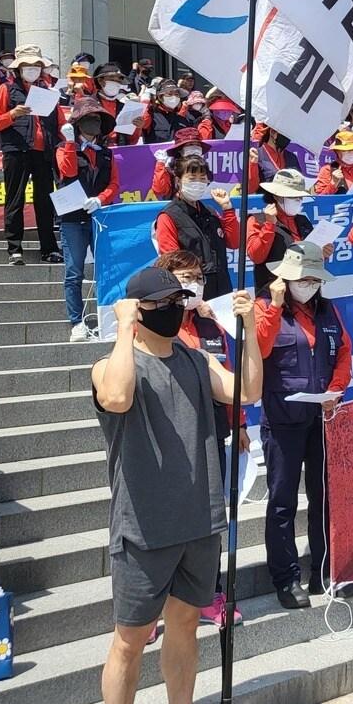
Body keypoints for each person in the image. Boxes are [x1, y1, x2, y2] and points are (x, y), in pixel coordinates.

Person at [92, 267, 260, 704]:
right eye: (162, 302)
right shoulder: (112, 364)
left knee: (185, 625)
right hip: (143, 526)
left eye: (177, 300)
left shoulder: (193, 359)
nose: (173, 309)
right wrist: (124, 327)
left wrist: (248, 330)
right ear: (139, 308)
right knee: (130, 640)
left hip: (199, 518)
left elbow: (247, 391)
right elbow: (119, 396)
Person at [152, 249, 243, 628]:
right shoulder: (158, 325)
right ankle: (153, 607)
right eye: (184, 277)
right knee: (163, 523)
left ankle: (209, 595)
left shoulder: (212, 323)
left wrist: (237, 424)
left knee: (211, 521)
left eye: (197, 277)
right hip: (167, 439)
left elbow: (230, 377)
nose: (194, 284)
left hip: (210, 433)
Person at [257, 242, 350, 608]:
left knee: (323, 496)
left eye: (315, 279)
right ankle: (285, 577)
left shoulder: (329, 311)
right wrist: (277, 305)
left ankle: (322, 572)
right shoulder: (268, 307)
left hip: (320, 417)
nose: (309, 285)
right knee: (282, 501)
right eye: (302, 278)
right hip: (282, 419)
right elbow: (259, 349)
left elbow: (343, 350)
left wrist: (336, 389)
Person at [0, 46, 61, 266]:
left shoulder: (47, 90)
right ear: (19, 69)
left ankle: (49, 248)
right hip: (16, 150)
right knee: (15, 198)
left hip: (43, 151)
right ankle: (15, 249)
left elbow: (57, 123)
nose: (32, 70)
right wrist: (12, 114)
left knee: (45, 201)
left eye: (36, 66)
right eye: (27, 66)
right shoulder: (6, 90)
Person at [54, 98, 120, 341]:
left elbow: (114, 184)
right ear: (78, 123)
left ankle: (109, 318)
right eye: (88, 119)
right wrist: (70, 142)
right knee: (74, 271)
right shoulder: (63, 148)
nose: (94, 123)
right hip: (72, 218)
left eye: (97, 120)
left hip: (99, 217)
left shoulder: (107, 155)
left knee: (106, 268)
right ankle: (76, 322)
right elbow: (68, 172)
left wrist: (101, 199)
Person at [153, 155, 240, 301]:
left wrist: (227, 208)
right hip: (193, 293)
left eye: (202, 178)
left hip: (222, 289)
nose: (198, 183)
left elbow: (234, 242)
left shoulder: (210, 212)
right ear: (178, 180)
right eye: (192, 178)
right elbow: (171, 261)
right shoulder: (168, 216)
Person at [245, 168, 315, 295]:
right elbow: (256, 256)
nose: (298, 200)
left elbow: (313, 258)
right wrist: (269, 225)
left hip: (305, 289)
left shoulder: (303, 221)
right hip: (274, 291)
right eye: (292, 196)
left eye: (300, 197)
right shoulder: (257, 220)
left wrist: (323, 253)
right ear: (277, 196)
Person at [149, 127, 208, 200]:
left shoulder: (203, 166)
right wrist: (160, 164)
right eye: (190, 144)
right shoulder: (171, 168)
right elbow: (160, 190)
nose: (195, 147)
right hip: (177, 206)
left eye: (197, 144)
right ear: (180, 149)